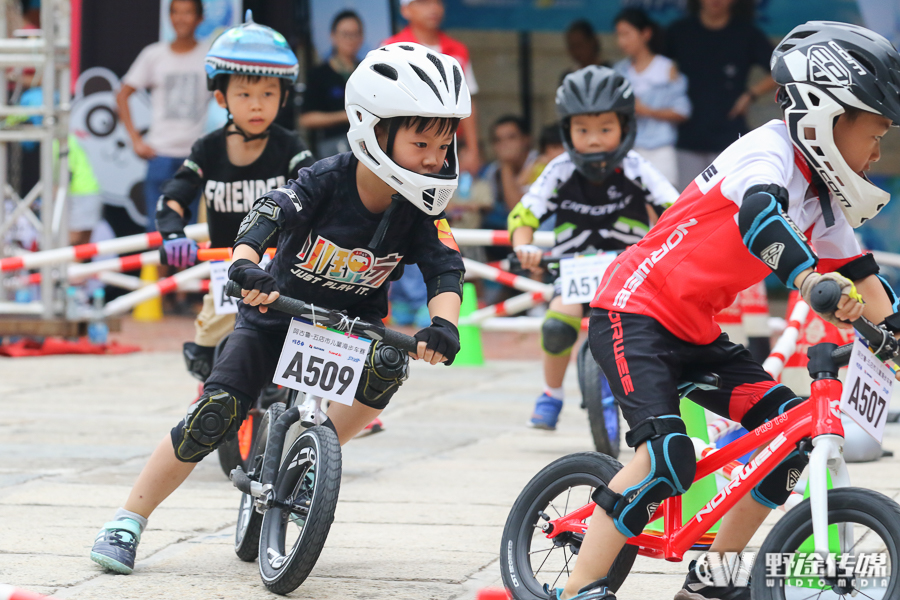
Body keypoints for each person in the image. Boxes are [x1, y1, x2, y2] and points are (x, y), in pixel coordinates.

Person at [88, 41, 469, 575]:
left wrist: (443, 324)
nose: (434, 157)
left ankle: (317, 455)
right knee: (214, 414)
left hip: (350, 330)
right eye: (420, 141)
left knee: (388, 365)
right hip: (276, 314)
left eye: (443, 142)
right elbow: (268, 214)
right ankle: (128, 519)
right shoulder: (326, 178)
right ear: (374, 130)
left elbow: (445, 269)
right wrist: (247, 264)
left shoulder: (423, 209)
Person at [555, 22, 900, 600]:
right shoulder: (766, 152)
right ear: (827, 115)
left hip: (695, 332)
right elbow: (761, 218)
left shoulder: (823, 197)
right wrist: (810, 277)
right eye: (876, 132)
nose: (878, 151)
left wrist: (890, 333)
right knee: (669, 455)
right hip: (632, 311)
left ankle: (709, 581)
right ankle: (579, 588)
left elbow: (866, 278)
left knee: (794, 442)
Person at [510, 66, 678, 430]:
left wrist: (669, 244)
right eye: (582, 129)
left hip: (630, 274)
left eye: (605, 128)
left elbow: (675, 209)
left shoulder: (638, 168)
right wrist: (524, 247)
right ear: (567, 130)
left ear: (625, 127)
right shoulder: (558, 170)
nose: (594, 139)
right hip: (574, 271)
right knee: (556, 325)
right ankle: (550, 394)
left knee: (653, 335)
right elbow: (524, 214)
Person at [151, 13, 314, 385]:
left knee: (309, 338)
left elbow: (316, 193)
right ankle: (209, 403)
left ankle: (329, 412)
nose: (257, 105)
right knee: (205, 348)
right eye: (244, 94)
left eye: (268, 94)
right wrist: (174, 236)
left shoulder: (291, 148)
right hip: (228, 272)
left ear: (284, 97)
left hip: (282, 269)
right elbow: (173, 199)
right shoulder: (207, 149)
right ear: (221, 96)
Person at [664, 0, 777, 192]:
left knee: (727, 201)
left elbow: (780, 68)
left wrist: (751, 94)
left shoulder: (746, 33)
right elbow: (652, 63)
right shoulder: (679, 31)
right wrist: (667, 71)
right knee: (686, 203)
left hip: (729, 134)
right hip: (687, 134)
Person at [117, 0, 209, 231]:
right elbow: (122, 95)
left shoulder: (209, 56)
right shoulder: (153, 55)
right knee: (158, 233)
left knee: (189, 233)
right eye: (175, 12)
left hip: (193, 158)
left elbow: (228, 94)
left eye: (187, 13)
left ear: (199, 19)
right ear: (169, 18)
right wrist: (135, 139)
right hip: (159, 157)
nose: (181, 18)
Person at [383, 0, 481, 174]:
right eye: (423, 2)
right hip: (407, 147)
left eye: (438, 2)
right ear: (405, 10)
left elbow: (466, 101)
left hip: (449, 145)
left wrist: (473, 150)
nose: (434, 8)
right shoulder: (391, 49)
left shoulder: (458, 50)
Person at [613, 8, 691, 186]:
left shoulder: (665, 68)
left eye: (626, 34)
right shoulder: (619, 70)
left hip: (661, 150)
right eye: (618, 35)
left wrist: (646, 111)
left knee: (665, 206)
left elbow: (682, 111)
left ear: (645, 33)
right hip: (629, 150)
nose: (621, 41)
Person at [299, 10, 364, 158]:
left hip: (367, 145)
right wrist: (346, 116)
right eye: (345, 34)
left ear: (362, 37)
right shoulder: (319, 74)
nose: (351, 39)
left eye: (355, 34)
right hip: (330, 148)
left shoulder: (366, 71)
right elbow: (306, 119)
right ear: (333, 36)